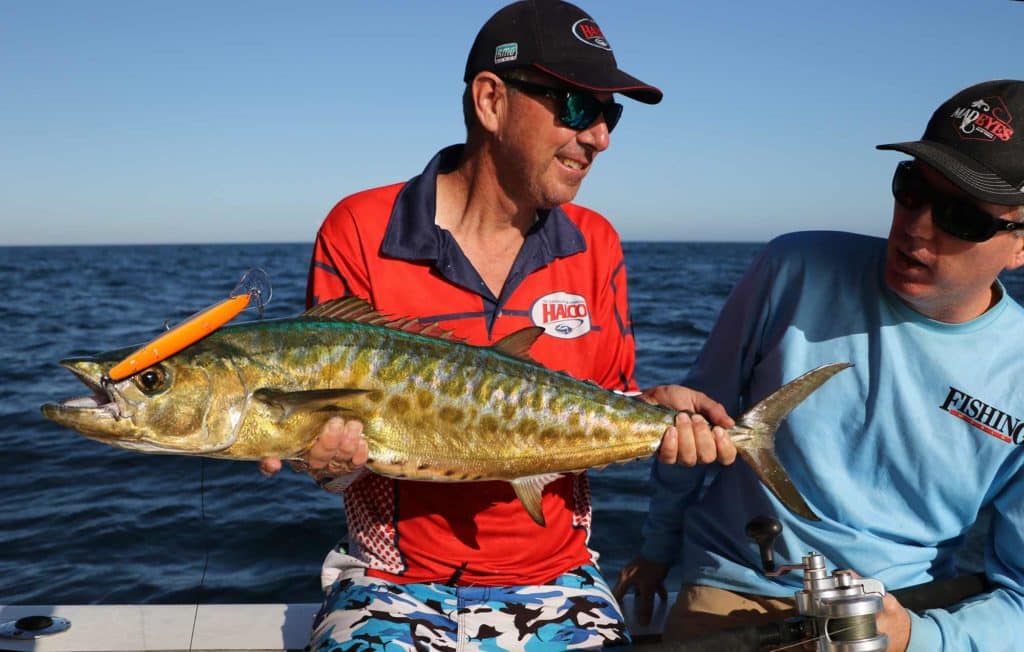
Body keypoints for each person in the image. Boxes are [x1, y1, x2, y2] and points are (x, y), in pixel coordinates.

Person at [259, 1, 736, 649]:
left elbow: (604, 402)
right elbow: (333, 454)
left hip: (558, 577)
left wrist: (655, 410)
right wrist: (326, 463)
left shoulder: (596, 244)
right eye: (577, 107)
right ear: (490, 100)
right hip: (390, 580)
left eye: (609, 114)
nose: (600, 136)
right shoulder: (361, 231)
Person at [614, 79, 1024, 651]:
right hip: (731, 588)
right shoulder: (793, 266)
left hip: (894, 612)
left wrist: (918, 637)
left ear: (1021, 242)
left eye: (962, 216)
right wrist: (656, 550)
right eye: (910, 189)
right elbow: (693, 428)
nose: (918, 225)